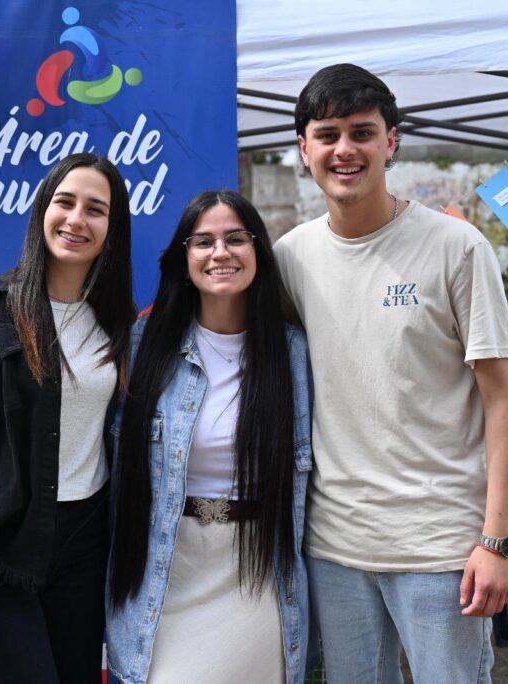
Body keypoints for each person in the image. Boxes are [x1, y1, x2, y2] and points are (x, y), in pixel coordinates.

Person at [274, 63, 508, 683]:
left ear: (391, 141)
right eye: (327, 134)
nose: (344, 150)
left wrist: (497, 542)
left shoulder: (456, 248)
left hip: (440, 548)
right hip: (332, 547)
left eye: (362, 132)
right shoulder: (289, 257)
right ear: (303, 147)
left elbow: (503, 400)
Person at [0, 152, 135, 682]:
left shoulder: (118, 324)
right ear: (42, 210)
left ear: (113, 227)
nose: (76, 220)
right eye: (65, 202)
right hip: (1, 549)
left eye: (95, 209)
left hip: (85, 545)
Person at [106, 190, 313, 683]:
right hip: (165, 566)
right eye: (203, 241)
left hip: (256, 573)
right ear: (184, 258)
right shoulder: (141, 344)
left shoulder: (293, 352)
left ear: (258, 251)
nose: (220, 253)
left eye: (235, 239)